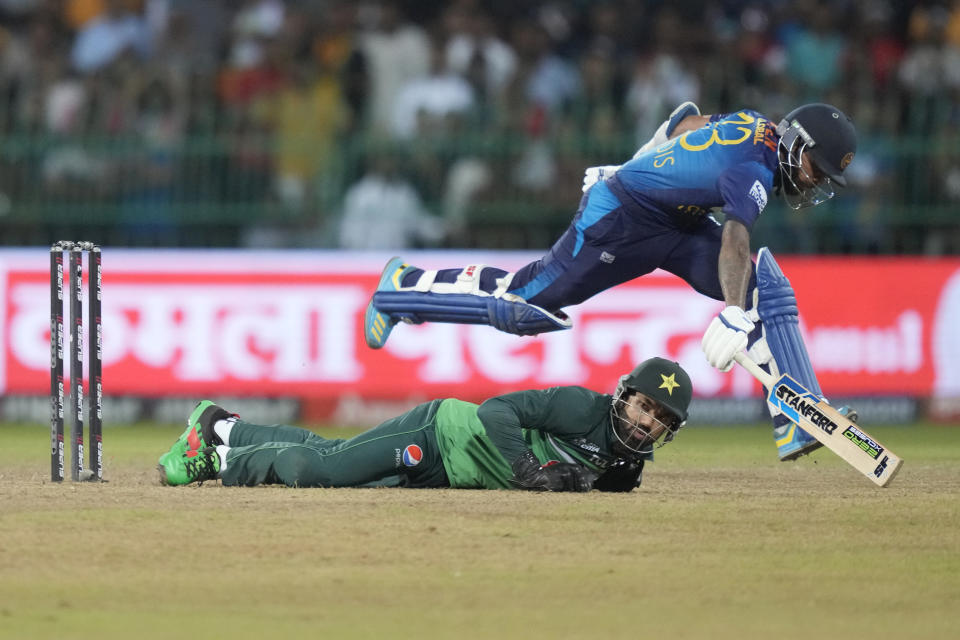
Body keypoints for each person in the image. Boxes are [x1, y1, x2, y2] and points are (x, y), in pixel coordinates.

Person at [362, 101, 858, 461]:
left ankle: (801, 416)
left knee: (765, 287)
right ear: (798, 143)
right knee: (523, 306)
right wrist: (730, 311)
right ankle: (401, 290)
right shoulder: (751, 168)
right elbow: (734, 239)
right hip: (619, 220)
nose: (814, 182)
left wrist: (645, 155)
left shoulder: (755, 125)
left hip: (676, 225)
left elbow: (688, 120)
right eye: (817, 169)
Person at [156, 357, 691, 492]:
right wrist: (529, 469)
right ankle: (214, 459)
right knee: (323, 471)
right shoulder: (581, 407)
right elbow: (494, 410)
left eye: (660, 419)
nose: (647, 423)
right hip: (440, 435)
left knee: (333, 451)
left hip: (451, 475)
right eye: (645, 406)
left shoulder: (628, 466)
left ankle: (223, 426)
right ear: (623, 398)